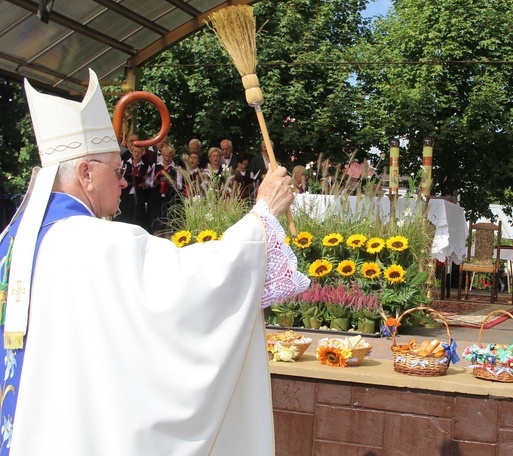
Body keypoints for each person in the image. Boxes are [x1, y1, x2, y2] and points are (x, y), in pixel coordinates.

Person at [0, 70, 309, 454]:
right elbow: (192, 288)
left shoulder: (16, 243)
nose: (126, 181)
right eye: (117, 171)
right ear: (85, 174)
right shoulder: (91, 242)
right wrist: (263, 215)